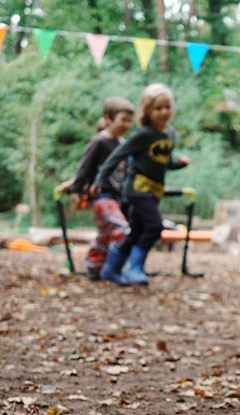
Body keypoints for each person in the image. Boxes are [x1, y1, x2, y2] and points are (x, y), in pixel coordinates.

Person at [92, 84, 187, 287]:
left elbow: (163, 161)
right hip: (138, 189)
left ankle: (111, 268)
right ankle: (135, 269)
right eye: (158, 108)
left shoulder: (169, 133)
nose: (163, 112)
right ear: (147, 111)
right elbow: (117, 156)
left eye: (167, 107)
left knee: (136, 231)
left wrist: (177, 163)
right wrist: (100, 180)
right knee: (155, 226)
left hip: (155, 190)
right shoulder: (143, 134)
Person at [64, 97, 134, 278]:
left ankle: (95, 265)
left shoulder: (123, 143)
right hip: (101, 196)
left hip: (118, 197)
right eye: (123, 120)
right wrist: (77, 189)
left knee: (106, 234)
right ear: (109, 119)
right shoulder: (99, 142)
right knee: (120, 229)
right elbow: (85, 167)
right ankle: (115, 268)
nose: (127, 125)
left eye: (130, 121)